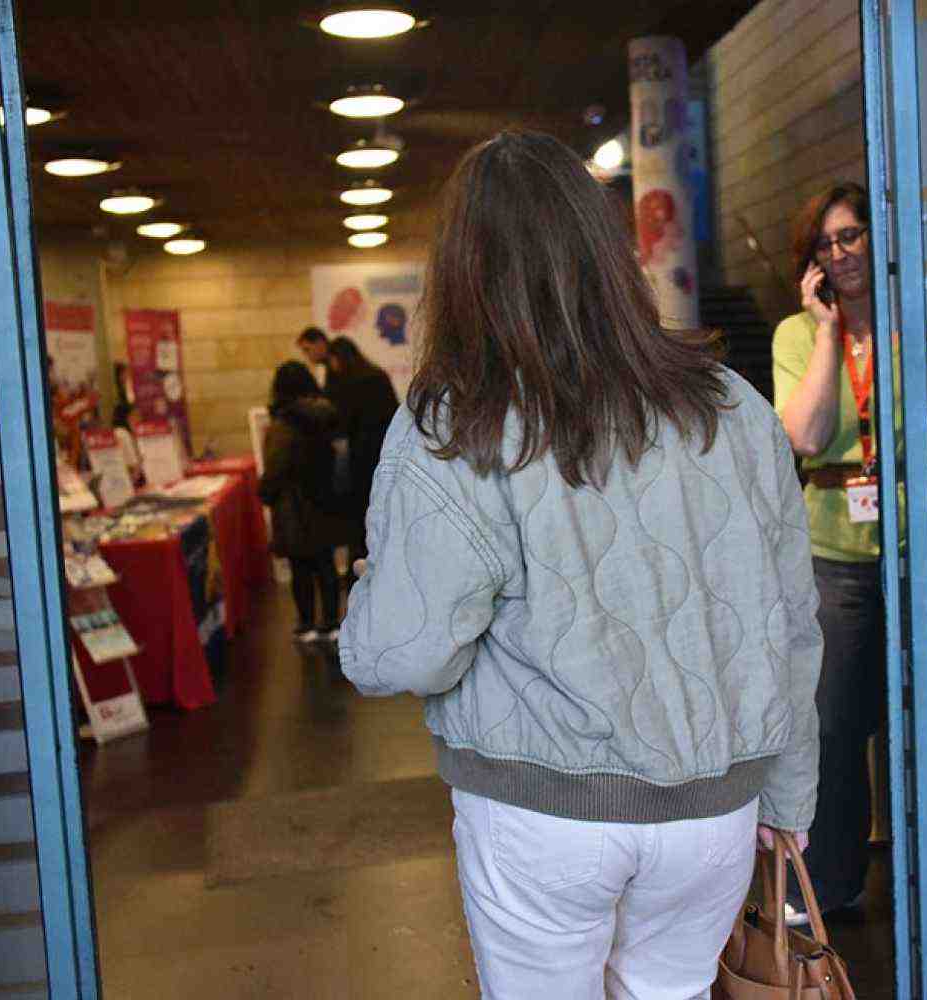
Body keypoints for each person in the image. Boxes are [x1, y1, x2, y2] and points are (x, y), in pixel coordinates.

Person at [339, 130, 823, 999]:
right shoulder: (731, 406)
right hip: (714, 814)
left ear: (460, 271)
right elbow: (790, 619)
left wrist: (369, 591)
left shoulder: (457, 422)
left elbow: (401, 655)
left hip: (543, 811)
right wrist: (789, 797)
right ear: (607, 252)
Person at [771, 182, 886, 925]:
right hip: (833, 549)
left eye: (851, 237)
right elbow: (806, 438)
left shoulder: (918, 316)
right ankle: (829, 885)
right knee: (834, 724)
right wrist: (824, 330)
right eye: (826, 244)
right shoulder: (795, 334)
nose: (840, 254)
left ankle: (925, 870)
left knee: (913, 715)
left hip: (920, 549)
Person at [258, 361, 342, 642]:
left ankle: (307, 624)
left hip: (293, 504)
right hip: (324, 497)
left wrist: (265, 492)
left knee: (301, 568)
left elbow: (276, 466)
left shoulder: (283, 423)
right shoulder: (327, 414)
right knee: (326, 564)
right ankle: (332, 623)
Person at [325, 336, 398, 560]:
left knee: (361, 519)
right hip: (383, 454)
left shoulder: (347, 383)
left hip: (358, 458)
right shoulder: (378, 375)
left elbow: (340, 423)